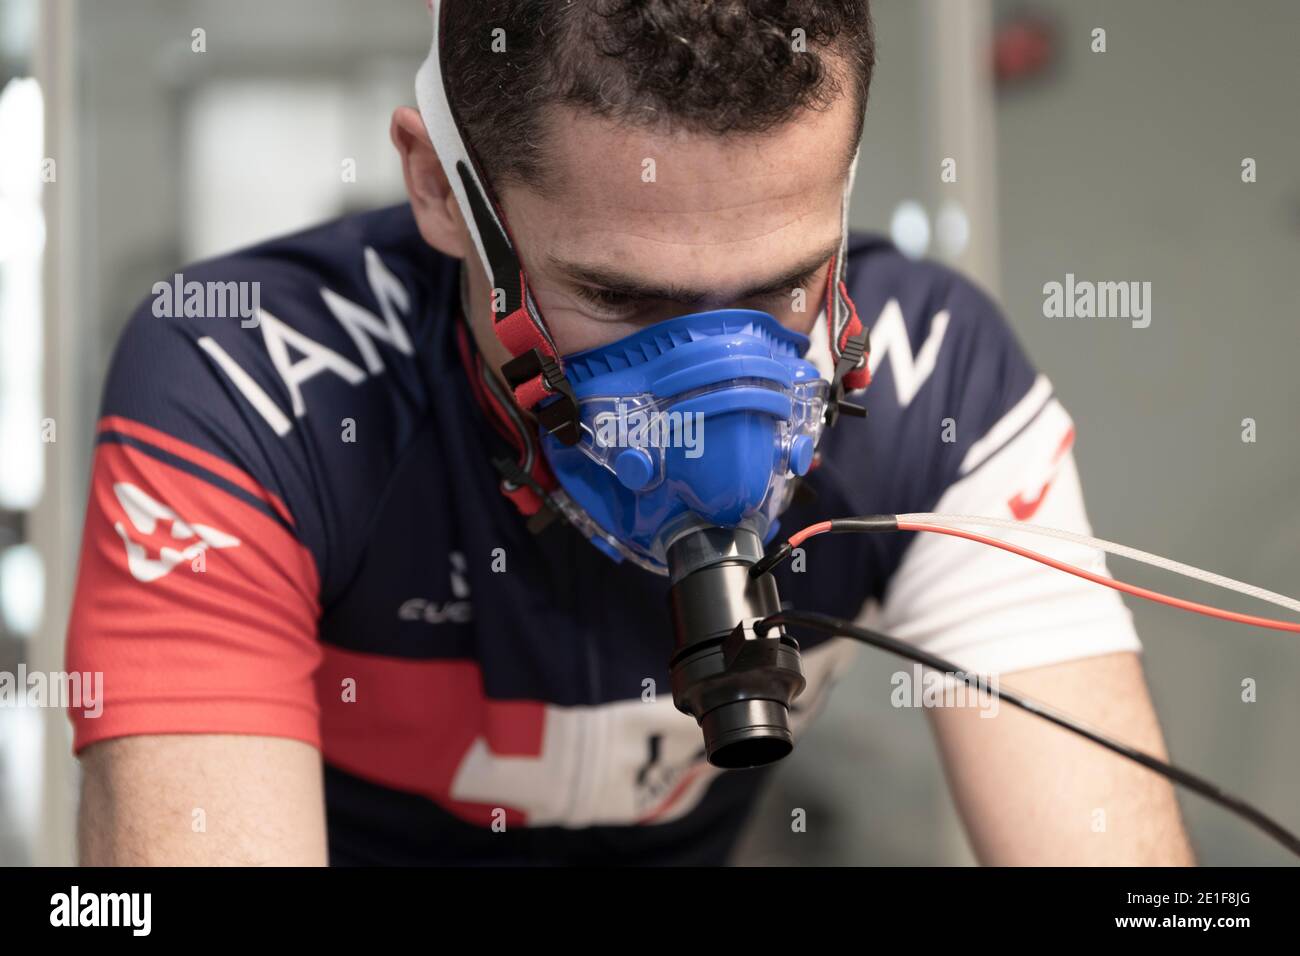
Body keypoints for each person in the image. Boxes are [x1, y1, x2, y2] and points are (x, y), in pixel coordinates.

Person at [67, 0, 1193, 865]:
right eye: (627, 301)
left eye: (786, 287)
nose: (723, 412)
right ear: (441, 190)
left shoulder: (935, 383)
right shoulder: (247, 389)